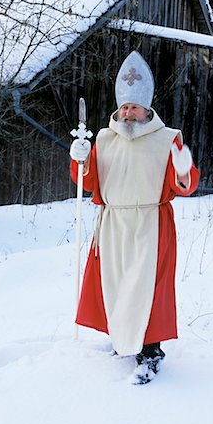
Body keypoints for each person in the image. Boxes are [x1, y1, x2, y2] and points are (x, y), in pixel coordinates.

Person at [70, 51, 200, 384]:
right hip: (113, 223)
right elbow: (88, 183)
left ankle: (150, 352)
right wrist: (79, 159)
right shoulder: (103, 139)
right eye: (124, 107)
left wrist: (185, 169)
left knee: (147, 290)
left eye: (134, 107)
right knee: (115, 284)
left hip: (150, 226)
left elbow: (183, 183)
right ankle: (123, 341)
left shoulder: (168, 138)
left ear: (147, 108)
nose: (128, 112)